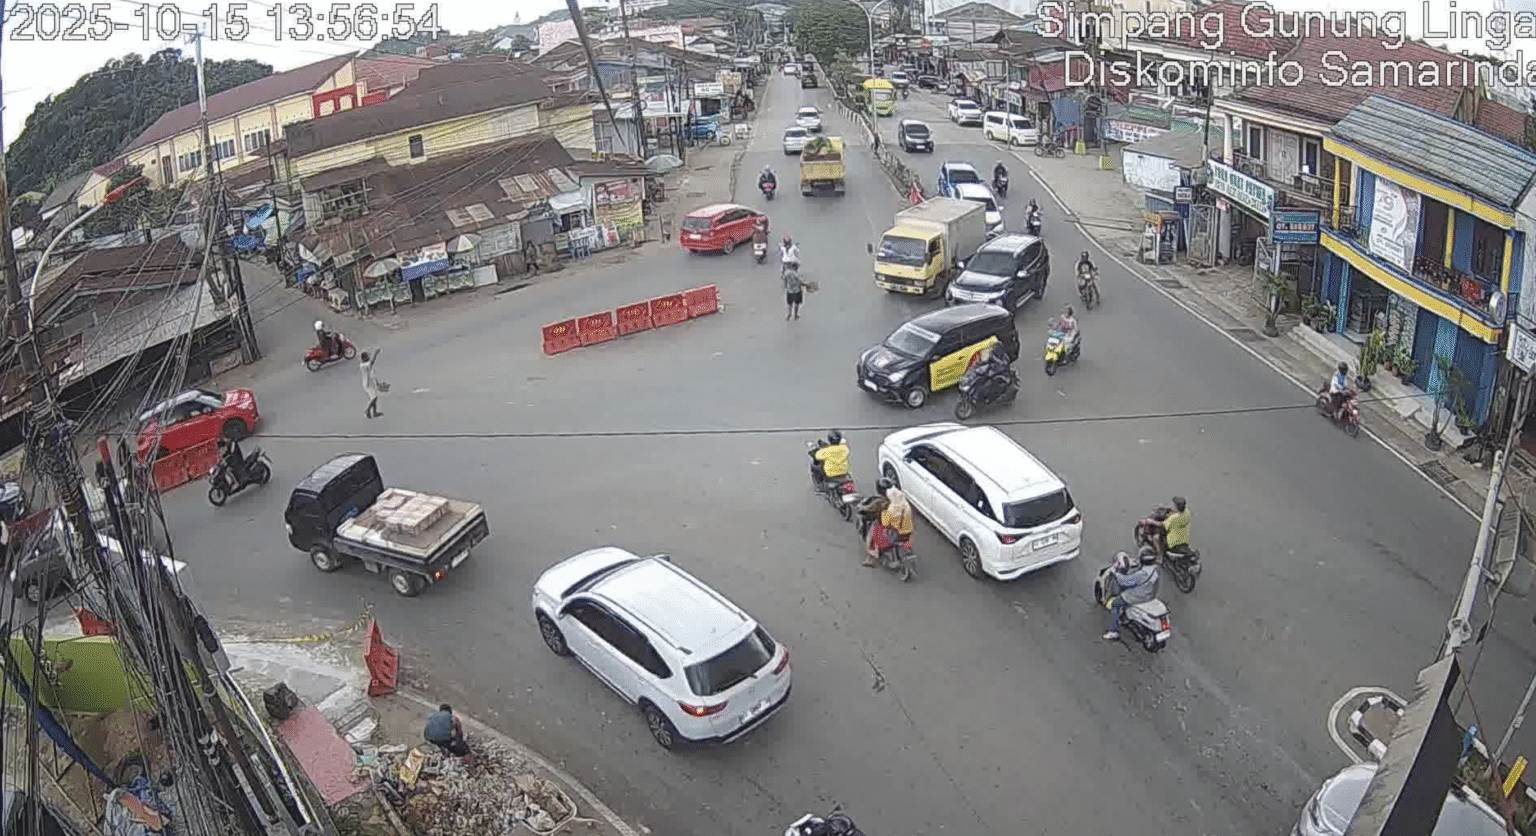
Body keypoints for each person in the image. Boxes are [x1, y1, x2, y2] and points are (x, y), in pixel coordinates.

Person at [1104, 549, 1159, 640]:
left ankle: (1114, 631)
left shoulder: (1142, 574)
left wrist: (1116, 573)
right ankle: (1125, 616)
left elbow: (1124, 582)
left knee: (1116, 603)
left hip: (1139, 596)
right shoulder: (1154, 571)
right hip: (1149, 595)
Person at [866, 483, 914, 566]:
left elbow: (885, 524)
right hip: (908, 532)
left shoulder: (891, 510)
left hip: (897, 534)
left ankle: (873, 553)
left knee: (875, 529)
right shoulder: (907, 506)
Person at [360, 348, 383, 420]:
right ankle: (367, 410)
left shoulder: (364, 365)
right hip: (368, 384)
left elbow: (372, 374)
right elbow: (372, 362)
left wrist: (377, 382)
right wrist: (375, 353)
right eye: (367, 356)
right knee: (374, 398)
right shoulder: (364, 365)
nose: (368, 357)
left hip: (370, 383)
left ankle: (374, 412)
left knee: (374, 398)